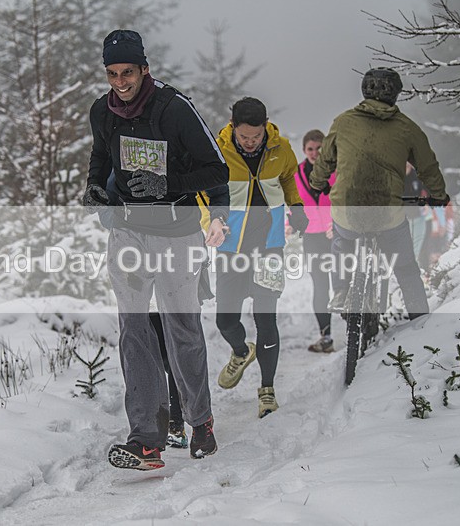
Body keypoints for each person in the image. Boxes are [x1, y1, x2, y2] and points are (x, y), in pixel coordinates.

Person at [82, 29, 229, 470]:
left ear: (145, 69)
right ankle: (145, 438)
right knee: (135, 333)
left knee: (181, 330)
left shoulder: (174, 109)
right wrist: (94, 188)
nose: (121, 82)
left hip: (176, 234)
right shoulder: (101, 111)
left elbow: (216, 170)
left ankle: (200, 419)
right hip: (127, 233)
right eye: (112, 74)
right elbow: (100, 158)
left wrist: (169, 185)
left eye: (128, 72)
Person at [309, 67, 449, 321]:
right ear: (395, 94)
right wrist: (439, 196)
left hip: (348, 210)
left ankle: (340, 292)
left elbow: (325, 160)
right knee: (406, 269)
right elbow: (428, 167)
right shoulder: (408, 128)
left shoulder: (343, 121)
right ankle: (422, 320)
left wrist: (317, 183)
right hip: (388, 216)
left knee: (340, 242)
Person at [213, 97, 308, 418]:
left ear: (266, 126)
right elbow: (206, 191)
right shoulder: (219, 150)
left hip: (269, 243)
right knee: (225, 319)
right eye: (244, 137)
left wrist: (296, 208)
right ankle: (241, 352)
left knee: (265, 318)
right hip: (230, 243)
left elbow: (288, 179)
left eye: (256, 136)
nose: (251, 143)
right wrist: (209, 221)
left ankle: (267, 389)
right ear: (233, 128)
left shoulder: (280, 148)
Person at [289, 129, 336, 353]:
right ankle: (326, 336)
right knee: (320, 286)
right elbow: (292, 203)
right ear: (304, 150)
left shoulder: (336, 171)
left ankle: (355, 330)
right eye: (310, 149)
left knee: (341, 282)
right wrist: (289, 223)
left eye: (319, 148)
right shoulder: (296, 173)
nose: (315, 153)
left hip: (337, 234)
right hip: (312, 236)